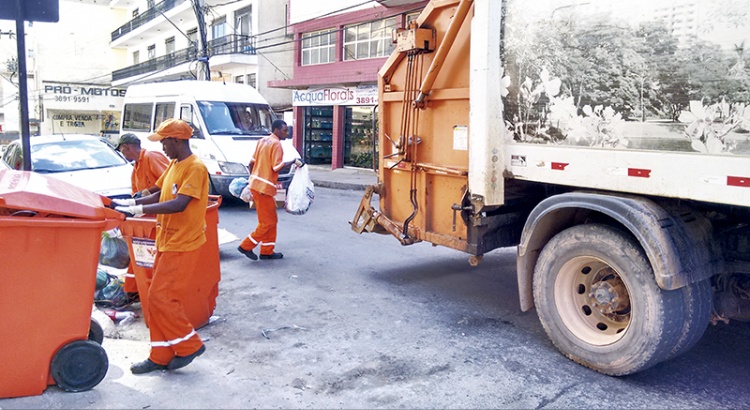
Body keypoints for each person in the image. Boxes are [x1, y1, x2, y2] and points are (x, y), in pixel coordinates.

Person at [112, 118, 209, 374]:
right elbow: (159, 192)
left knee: (161, 297)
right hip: (167, 239)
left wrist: (138, 209)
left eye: (165, 142)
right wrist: (128, 203)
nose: (162, 148)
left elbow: (179, 203)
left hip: (183, 243)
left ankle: (189, 345)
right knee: (155, 300)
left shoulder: (195, 168)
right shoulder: (176, 164)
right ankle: (160, 355)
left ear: (177, 140)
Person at [238, 119, 301, 260]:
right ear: (277, 130)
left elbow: (251, 163)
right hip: (264, 188)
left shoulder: (262, 141)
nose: (287, 133)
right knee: (268, 222)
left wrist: (252, 179)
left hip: (257, 186)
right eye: (284, 130)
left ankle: (267, 251)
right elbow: (276, 167)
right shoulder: (276, 144)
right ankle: (246, 245)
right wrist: (294, 161)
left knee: (270, 220)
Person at [116, 133, 169, 198]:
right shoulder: (136, 167)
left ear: (126, 147)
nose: (121, 152)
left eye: (120, 149)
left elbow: (169, 181)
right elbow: (135, 193)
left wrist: (149, 191)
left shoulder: (151, 157)